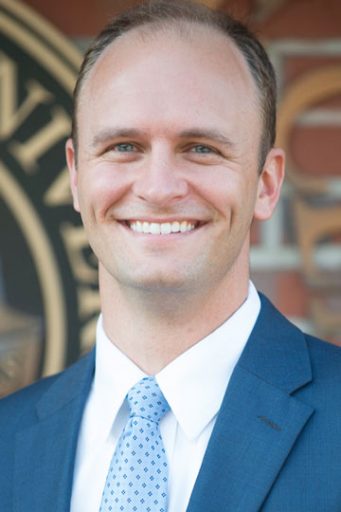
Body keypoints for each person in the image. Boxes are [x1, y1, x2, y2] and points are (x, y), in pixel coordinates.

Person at [1, 1, 340, 511]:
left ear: (266, 184)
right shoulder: (8, 443)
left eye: (201, 148)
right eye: (123, 146)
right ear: (76, 176)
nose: (159, 188)